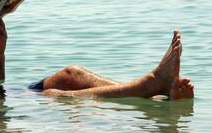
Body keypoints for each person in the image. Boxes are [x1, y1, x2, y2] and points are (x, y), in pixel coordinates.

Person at [30, 29, 194, 100]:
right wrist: (1, 52)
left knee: (72, 74)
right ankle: (151, 85)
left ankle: (156, 90)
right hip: (13, 95)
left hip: (15, 90)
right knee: (51, 95)